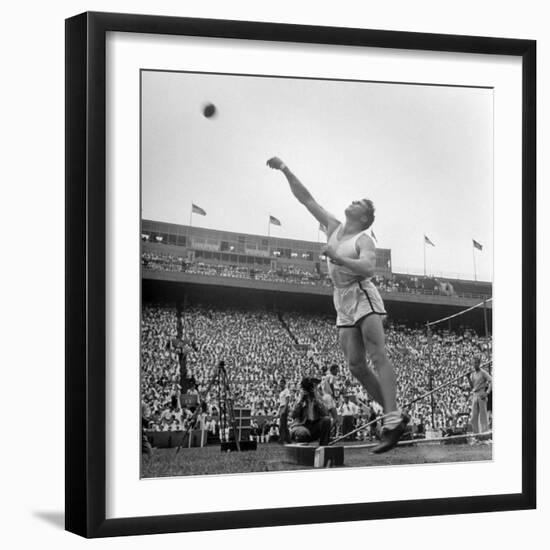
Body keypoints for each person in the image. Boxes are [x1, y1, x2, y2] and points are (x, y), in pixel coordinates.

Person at [267, 157, 407, 453]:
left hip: (362, 293)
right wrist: (285, 169)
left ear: (365, 217)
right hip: (342, 299)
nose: (352, 201)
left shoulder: (364, 238)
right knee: (355, 365)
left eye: (359, 203)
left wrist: (336, 256)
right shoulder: (333, 225)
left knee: (377, 355)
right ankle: (394, 413)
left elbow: (368, 269)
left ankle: (392, 421)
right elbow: (306, 199)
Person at [289, 377, 332, 446]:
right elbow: (293, 415)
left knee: (326, 420)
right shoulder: (299, 397)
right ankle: (303, 452)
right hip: (300, 425)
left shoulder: (317, 397)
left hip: (313, 426)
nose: (310, 391)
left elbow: (325, 413)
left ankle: (323, 448)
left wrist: (316, 400)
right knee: (303, 433)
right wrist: (301, 401)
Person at [468, 357, 492, 434]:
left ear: (479, 364)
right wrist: (468, 378)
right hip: (475, 394)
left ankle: (485, 435)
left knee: (483, 416)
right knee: (473, 417)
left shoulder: (483, 372)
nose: (474, 365)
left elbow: (491, 381)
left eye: (476, 363)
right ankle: (476, 435)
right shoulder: (473, 374)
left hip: (482, 393)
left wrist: (487, 392)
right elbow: (472, 387)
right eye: (473, 363)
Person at [321, 364, 340, 429]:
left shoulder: (325, 376)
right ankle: (327, 431)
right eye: (336, 371)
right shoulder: (331, 376)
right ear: (333, 370)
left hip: (324, 396)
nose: (337, 372)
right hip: (329, 396)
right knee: (335, 418)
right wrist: (334, 395)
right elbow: (331, 384)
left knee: (327, 417)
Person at [277, 378, 291, 444]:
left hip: (285, 407)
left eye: (282, 383)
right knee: (284, 425)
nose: (281, 384)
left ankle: (281, 440)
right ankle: (288, 440)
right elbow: (280, 403)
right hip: (281, 407)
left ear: (284, 384)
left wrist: (285, 409)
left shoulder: (286, 390)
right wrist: (279, 411)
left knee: (282, 425)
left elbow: (287, 400)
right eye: (280, 383)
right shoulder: (281, 392)